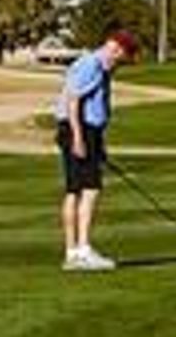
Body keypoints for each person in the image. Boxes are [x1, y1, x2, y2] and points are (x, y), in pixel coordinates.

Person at [54, 28, 134, 270]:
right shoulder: (92, 65)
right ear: (116, 49)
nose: (120, 63)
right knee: (91, 189)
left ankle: (72, 254)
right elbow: (73, 101)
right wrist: (79, 139)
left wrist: (98, 146)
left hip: (84, 131)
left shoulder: (96, 65)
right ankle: (83, 249)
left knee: (74, 190)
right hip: (80, 129)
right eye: (123, 57)